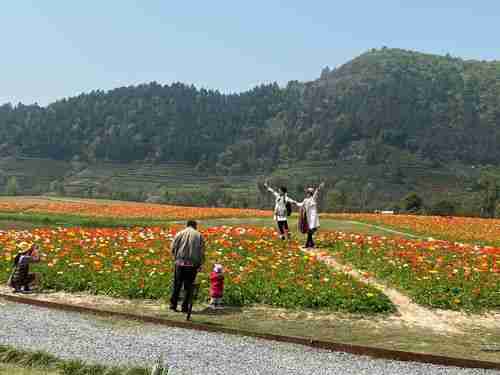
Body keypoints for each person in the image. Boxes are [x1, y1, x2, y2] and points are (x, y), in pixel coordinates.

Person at [170, 220, 205, 313]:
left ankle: (173, 305)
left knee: (177, 284)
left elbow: (173, 247)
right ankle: (184, 307)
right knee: (188, 286)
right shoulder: (199, 235)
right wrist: (200, 264)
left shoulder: (179, 233)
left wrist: (175, 258)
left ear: (187, 225)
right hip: (192, 264)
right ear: (195, 226)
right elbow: (201, 252)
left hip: (179, 263)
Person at [295, 182, 325, 248]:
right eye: (307, 192)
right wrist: (294, 202)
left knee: (310, 231)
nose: (307, 194)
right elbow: (300, 204)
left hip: (313, 217)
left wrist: (319, 187)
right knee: (309, 231)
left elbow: (316, 192)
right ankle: (311, 244)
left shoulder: (313, 199)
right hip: (307, 217)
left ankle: (308, 244)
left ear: (310, 193)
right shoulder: (305, 200)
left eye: (308, 192)